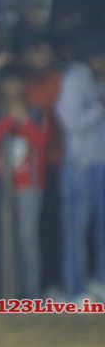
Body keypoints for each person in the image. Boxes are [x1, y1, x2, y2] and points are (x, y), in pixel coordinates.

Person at [0, 65, 49, 298]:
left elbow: (41, 142)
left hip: (30, 184)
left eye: (17, 82)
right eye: (8, 83)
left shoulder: (36, 112)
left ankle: (31, 294)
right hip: (1, 184)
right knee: (4, 239)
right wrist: (9, 120)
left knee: (27, 238)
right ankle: (8, 293)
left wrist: (25, 121)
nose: (12, 88)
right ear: (1, 86)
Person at [55, 38, 105, 299]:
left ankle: (101, 283)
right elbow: (71, 122)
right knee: (76, 229)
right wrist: (99, 107)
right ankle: (76, 289)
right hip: (80, 166)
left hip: (101, 164)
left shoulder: (98, 80)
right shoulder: (74, 80)